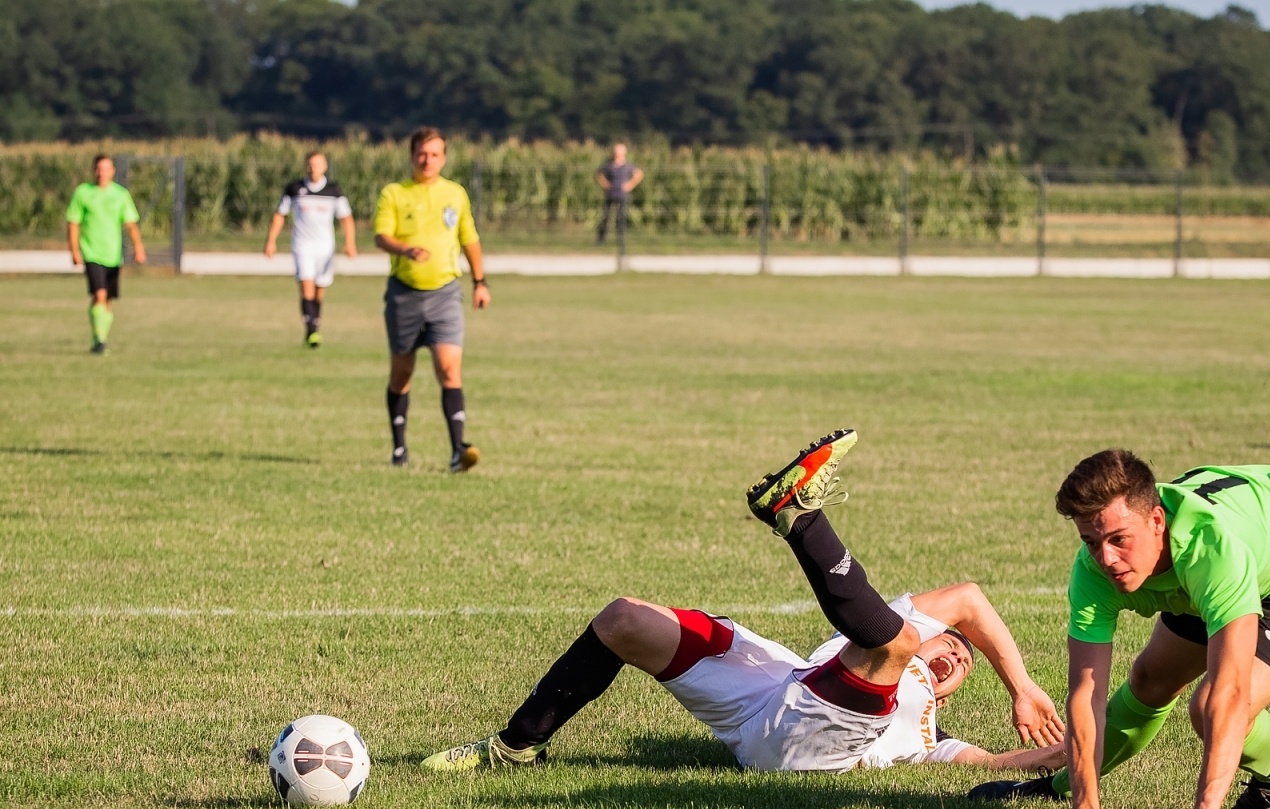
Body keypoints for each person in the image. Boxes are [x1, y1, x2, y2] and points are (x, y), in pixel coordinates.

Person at [424, 430, 1065, 775]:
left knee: (888, 642)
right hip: (774, 692)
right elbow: (969, 598)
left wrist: (1078, 756)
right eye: (952, 645)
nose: (953, 653)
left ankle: (798, 517)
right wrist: (1022, 684)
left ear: (948, 697)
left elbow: (1005, 760)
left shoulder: (926, 737)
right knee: (621, 619)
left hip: (813, 746)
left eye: (959, 664)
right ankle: (513, 746)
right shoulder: (904, 637)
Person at [969, 450, 1270, 809]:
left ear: (1157, 521)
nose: (1106, 559)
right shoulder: (1094, 571)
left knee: (1207, 708)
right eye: (1091, 542)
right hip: (1229, 558)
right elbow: (1085, 694)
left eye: (1119, 539)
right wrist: (1083, 799)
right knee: (1149, 681)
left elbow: (1229, 692)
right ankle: (1058, 788)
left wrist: (1206, 807)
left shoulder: (1211, 552)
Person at [373, 127, 490, 472]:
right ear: (412, 156)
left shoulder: (455, 194)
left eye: (435, 154)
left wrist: (480, 281)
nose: (428, 160)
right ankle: (399, 449)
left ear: (444, 158)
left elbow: (469, 240)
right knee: (402, 374)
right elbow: (380, 236)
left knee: (449, 368)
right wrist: (405, 249)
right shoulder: (395, 193)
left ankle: (458, 451)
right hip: (404, 295)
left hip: (445, 293)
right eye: (422, 154)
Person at [263, 150, 357, 348]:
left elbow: (346, 218)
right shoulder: (295, 189)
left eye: (317, 164)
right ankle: (312, 331)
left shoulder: (333, 190)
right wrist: (271, 240)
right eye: (310, 164)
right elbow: (280, 215)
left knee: (319, 291)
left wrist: (350, 243)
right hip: (302, 245)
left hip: (325, 247)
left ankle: (314, 324)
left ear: (325, 167)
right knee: (306, 287)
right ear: (305, 166)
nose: (313, 168)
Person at [66, 155, 144, 355]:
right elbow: (73, 223)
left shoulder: (120, 195)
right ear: (94, 170)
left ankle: (99, 337)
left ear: (113, 171)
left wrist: (138, 247)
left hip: (113, 254)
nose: (102, 173)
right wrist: (74, 250)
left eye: (106, 169)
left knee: (106, 299)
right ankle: (100, 341)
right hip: (91, 252)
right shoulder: (83, 193)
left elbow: (130, 223)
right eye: (99, 169)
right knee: (100, 294)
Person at [594, 143, 643, 246]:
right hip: (610, 194)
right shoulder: (608, 165)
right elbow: (598, 174)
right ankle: (601, 240)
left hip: (622, 195)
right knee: (605, 217)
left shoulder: (627, 166)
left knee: (621, 218)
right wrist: (606, 184)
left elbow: (639, 174)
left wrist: (630, 184)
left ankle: (621, 240)